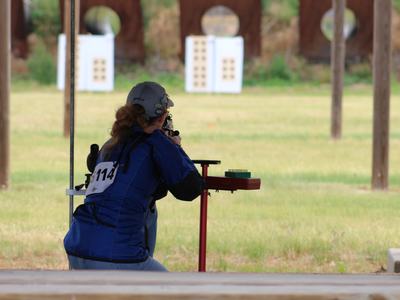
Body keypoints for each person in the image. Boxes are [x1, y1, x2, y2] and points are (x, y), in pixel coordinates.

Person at [64, 81, 204, 271]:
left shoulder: (110, 144)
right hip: (116, 253)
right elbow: (190, 188)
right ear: (162, 116)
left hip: (78, 245)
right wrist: (174, 148)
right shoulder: (155, 141)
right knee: (173, 290)